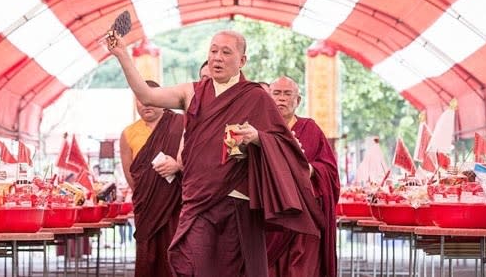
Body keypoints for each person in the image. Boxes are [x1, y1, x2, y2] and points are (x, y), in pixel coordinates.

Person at [108, 30, 324, 277]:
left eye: (226, 52)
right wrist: (122, 55)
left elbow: (284, 143)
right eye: (213, 51)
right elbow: (147, 95)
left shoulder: (256, 97)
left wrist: (257, 138)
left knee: (234, 270)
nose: (217, 58)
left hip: (237, 199)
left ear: (242, 61)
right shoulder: (192, 92)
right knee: (191, 263)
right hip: (198, 200)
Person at [267, 76, 340, 277]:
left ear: (297, 101)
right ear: (268, 97)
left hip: (304, 219)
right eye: (277, 93)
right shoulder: (259, 130)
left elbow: (330, 171)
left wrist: (310, 169)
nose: (281, 99)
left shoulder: (310, 129)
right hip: (270, 220)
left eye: (287, 94)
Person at [120, 80, 185, 277]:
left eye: (150, 98)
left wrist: (178, 166)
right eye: (140, 99)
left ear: (162, 100)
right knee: (148, 258)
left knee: (176, 256)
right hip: (147, 206)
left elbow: (195, 162)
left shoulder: (180, 124)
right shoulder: (128, 133)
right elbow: (131, 175)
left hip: (176, 204)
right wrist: (147, 195)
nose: (145, 104)